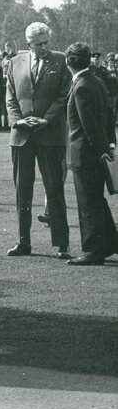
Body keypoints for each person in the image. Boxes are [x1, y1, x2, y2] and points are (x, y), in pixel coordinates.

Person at [5, 22, 72, 259]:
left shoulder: (61, 60)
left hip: (50, 135)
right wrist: (18, 121)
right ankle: (24, 242)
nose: (43, 47)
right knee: (22, 191)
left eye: (46, 43)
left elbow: (65, 95)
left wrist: (46, 120)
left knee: (54, 189)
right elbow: (10, 97)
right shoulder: (15, 62)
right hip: (22, 136)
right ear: (28, 44)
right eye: (38, 44)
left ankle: (62, 245)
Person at [63, 42, 118, 265]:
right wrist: (109, 147)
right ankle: (109, 242)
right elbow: (108, 115)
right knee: (96, 199)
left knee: (88, 202)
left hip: (85, 154)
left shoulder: (81, 86)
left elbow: (89, 126)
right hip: (97, 151)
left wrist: (101, 151)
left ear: (69, 62)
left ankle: (94, 250)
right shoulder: (96, 82)